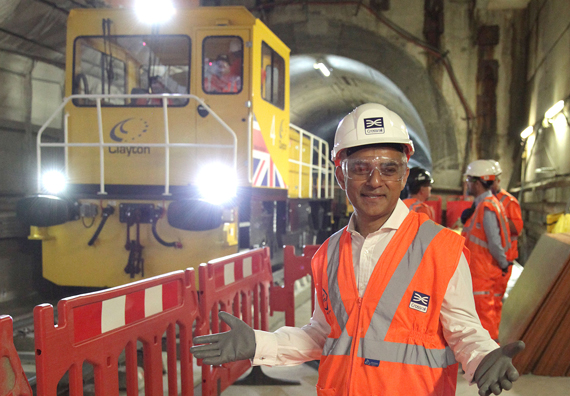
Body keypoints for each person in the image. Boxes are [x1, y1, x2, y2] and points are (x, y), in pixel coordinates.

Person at [191, 104, 524, 396]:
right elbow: (323, 334)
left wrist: (484, 358)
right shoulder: (329, 254)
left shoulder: (440, 248)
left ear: (404, 173)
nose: (374, 181)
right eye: (360, 168)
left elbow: (465, 331)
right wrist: (260, 344)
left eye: (389, 168)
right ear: (340, 175)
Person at [461, 160, 513, 341]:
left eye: (468, 180)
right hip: (476, 274)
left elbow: (494, 243)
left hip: (481, 276)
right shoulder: (483, 205)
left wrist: (504, 264)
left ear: (477, 182)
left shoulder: (488, 206)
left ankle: (489, 366)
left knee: (485, 326)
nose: (466, 184)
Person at [488, 160, 523, 334]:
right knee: (486, 303)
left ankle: (494, 338)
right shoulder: (487, 201)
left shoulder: (509, 202)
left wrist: (498, 219)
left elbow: (517, 229)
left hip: (503, 260)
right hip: (488, 261)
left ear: (497, 180)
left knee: (494, 301)